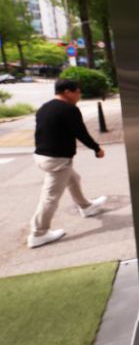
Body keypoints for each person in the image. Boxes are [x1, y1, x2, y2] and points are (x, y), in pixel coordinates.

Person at [27, 79, 107, 248]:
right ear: (67, 92)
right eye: (78, 91)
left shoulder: (44, 107)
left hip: (42, 155)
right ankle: (38, 233)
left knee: (73, 179)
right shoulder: (69, 109)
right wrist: (96, 148)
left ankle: (86, 207)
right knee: (50, 197)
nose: (79, 95)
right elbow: (81, 133)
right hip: (57, 159)